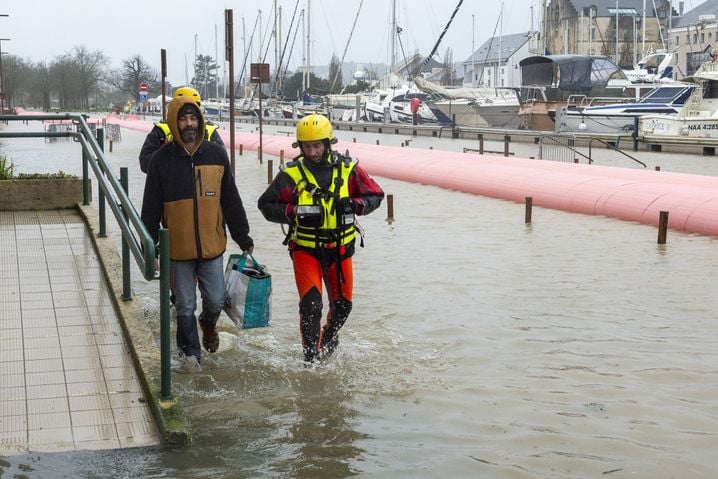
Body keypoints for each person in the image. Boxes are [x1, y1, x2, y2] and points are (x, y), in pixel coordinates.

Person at [257, 114, 384, 363]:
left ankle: (328, 338)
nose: (313, 152)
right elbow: (266, 205)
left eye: (317, 145)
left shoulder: (349, 170)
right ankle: (311, 360)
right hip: (306, 250)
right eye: (307, 146)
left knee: (343, 307)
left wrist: (355, 205)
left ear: (328, 143)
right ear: (300, 147)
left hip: (340, 248)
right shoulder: (291, 175)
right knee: (312, 306)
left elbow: (376, 196)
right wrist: (292, 212)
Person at [141, 96, 254, 368]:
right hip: (178, 250)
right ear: (173, 122)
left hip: (212, 245)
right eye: (182, 119)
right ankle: (190, 358)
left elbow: (231, 200)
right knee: (184, 306)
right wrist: (152, 247)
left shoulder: (216, 155)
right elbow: (150, 208)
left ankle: (209, 323)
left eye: (193, 118)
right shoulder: (160, 161)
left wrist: (243, 237)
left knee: (215, 300)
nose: (188, 124)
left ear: (200, 121)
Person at [138, 86, 224, 174]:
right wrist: (165, 153)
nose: (189, 122)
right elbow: (145, 163)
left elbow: (223, 165)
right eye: (183, 116)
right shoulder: (161, 130)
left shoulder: (210, 131)